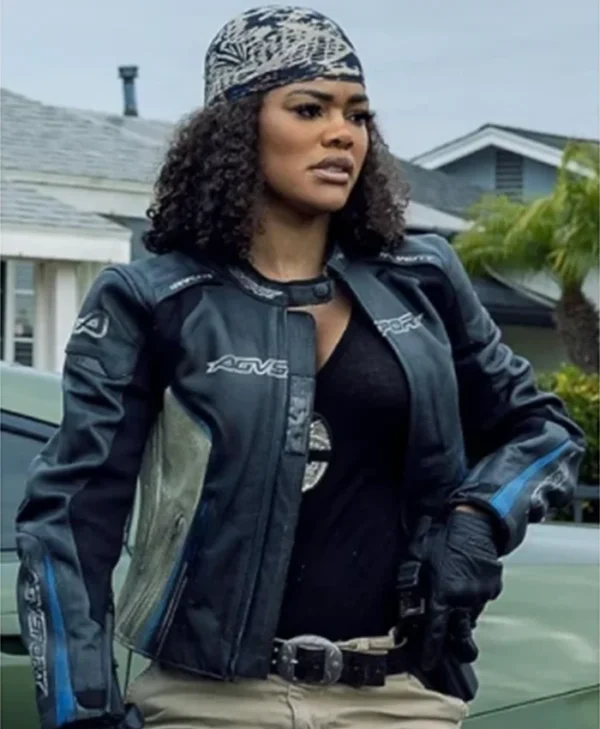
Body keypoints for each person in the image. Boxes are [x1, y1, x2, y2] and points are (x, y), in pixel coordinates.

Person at [16, 6, 584, 729]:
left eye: (358, 114)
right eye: (310, 109)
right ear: (237, 126)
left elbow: (543, 430)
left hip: (400, 698)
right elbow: (71, 519)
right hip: (210, 702)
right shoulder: (153, 298)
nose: (343, 133)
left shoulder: (424, 278)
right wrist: (83, 712)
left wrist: (479, 516)